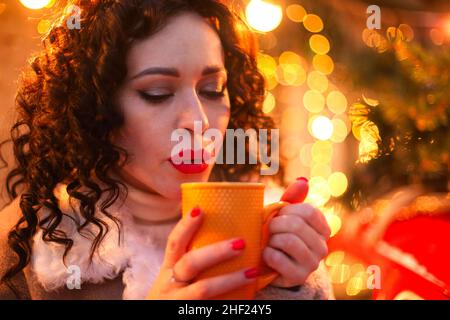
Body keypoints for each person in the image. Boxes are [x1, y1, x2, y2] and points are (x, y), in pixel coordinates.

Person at [0, 0, 333, 300]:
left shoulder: (261, 224)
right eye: (157, 92)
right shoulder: (30, 248)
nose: (198, 122)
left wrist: (287, 288)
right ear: (95, 110)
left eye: (213, 89)